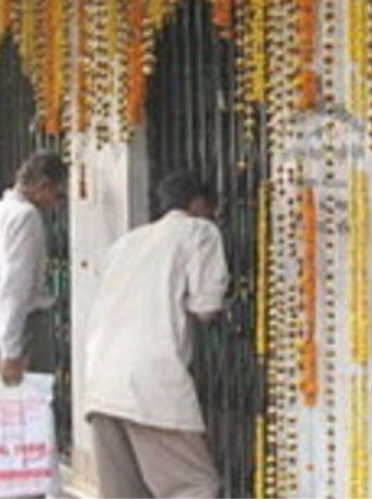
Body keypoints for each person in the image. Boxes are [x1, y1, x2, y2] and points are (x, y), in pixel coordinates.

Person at [84, 170, 230, 498]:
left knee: (124, 492)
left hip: (101, 378)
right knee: (195, 487)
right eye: (211, 208)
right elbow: (206, 307)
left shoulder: (127, 241)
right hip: (151, 379)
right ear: (197, 204)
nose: (214, 216)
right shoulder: (199, 231)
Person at [0, 150, 67, 384]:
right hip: (23, 326)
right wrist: (11, 350)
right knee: (28, 409)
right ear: (44, 185)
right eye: (58, 195)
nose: (55, 204)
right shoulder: (26, 216)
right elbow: (16, 286)